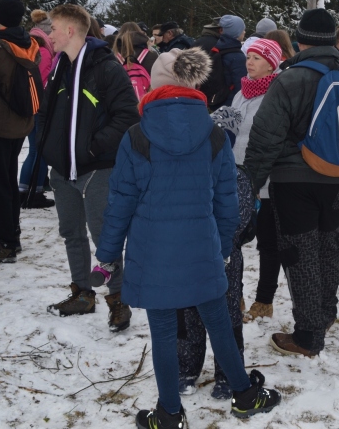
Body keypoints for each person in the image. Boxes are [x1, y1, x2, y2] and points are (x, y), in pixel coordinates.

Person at [95, 48, 281, 427]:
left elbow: (120, 202)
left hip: (153, 253)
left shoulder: (136, 136)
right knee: (218, 321)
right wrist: (224, 244)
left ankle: (169, 415)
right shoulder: (213, 135)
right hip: (203, 249)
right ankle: (244, 394)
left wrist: (108, 254)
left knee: (164, 332)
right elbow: (226, 199)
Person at [244, 9, 339, 357]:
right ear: (335, 40)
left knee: (299, 253)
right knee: (327, 245)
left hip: (293, 182)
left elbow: (264, 140)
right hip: (338, 183)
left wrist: (248, 188)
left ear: (300, 41)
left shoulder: (288, 81)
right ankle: (324, 314)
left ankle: (307, 335)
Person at [40, 4, 140, 331]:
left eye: (53, 28)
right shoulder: (60, 67)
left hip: (97, 168)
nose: (48, 34)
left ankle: (118, 300)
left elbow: (128, 116)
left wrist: (92, 146)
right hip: (63, 169)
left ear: (70, 31)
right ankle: (82, 293)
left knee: (104, 237)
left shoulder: (106, 67)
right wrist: (50, 149)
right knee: (71, 233)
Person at [0, 0, 41, 263]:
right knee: (8, 182)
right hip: (20, 123)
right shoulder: (31, 44)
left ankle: (5, 241)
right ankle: (11, 233)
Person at [232, 39, 283, 323]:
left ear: (271, 63)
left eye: (256, 58)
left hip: (265, 180)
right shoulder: (240, 92)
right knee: (233, 240)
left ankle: (264, 299)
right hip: (237, 176)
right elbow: (231, 125)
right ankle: (234, 293)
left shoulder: (277, 93)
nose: (249, 62)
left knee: (268, 242)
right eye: (248, 57)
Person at [18, 9, 55, 208]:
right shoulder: (42, 50)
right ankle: (31, 191)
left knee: (35, 149)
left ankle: (28, 189)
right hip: (38, 106)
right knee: (36, 150)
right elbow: (42, 80)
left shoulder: (31, 46)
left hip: (31, 104)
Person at [212, 15, 247, 106]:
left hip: (216, 99)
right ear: (236, 33)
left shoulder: (218, 48)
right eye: (242, 29)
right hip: (231, 104)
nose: (244, 32)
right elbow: (241, 86)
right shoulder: (238, 57)